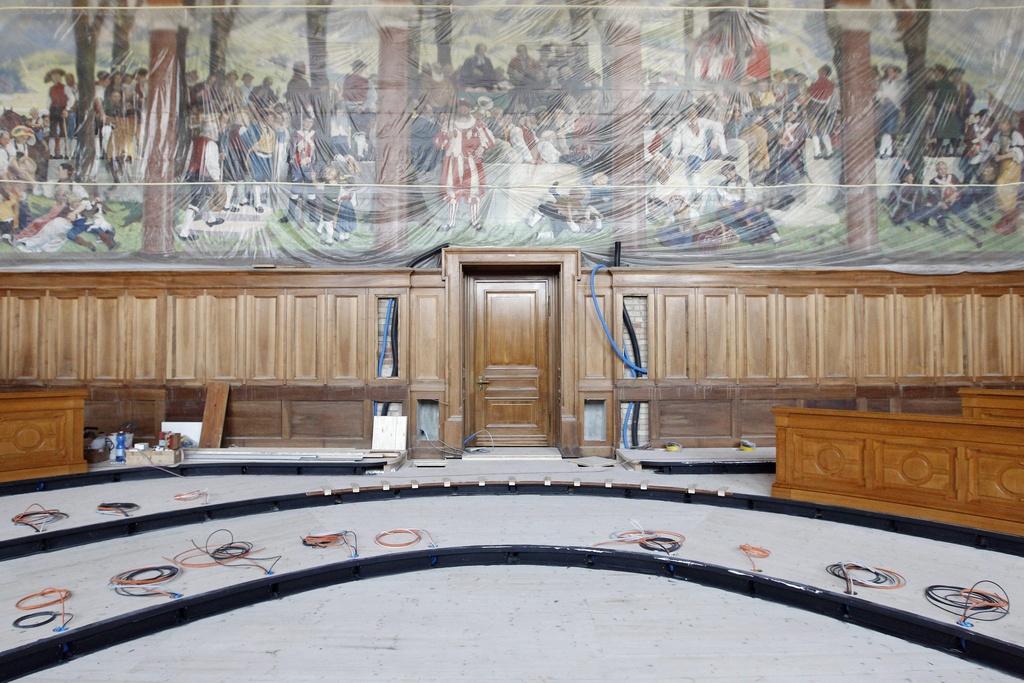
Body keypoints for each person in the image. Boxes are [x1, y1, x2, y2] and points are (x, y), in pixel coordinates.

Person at [434, 99, 495, 231]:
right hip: (453, 163)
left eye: (466, 107)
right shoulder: (448, 125)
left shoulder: (477, 125)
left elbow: (489, 140)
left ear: (469, 109)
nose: (464, 110)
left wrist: (482, 147)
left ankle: (475, 222)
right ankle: (451, 222)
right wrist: (447, 138)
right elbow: (438, 143)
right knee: (452, 191)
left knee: (473, 191)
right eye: (461, 107)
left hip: (471, 164)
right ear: (457, 109)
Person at [178, 123, 225, 240]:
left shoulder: (194, 141)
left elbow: (192, 157)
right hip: (203, 176)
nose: (217, 133)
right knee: (196, 203)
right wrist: (218, 180)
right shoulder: (211, 144)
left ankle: (211, 219)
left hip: (192, 174)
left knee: (204, 198)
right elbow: (211, 164)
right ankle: (184, 232)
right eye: (215, 130)